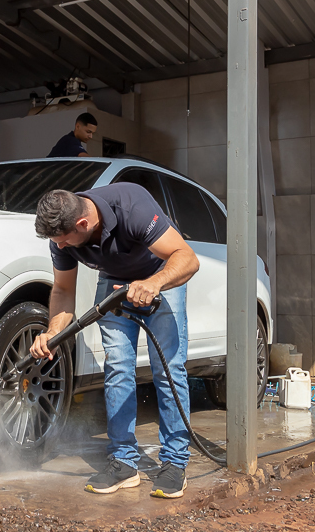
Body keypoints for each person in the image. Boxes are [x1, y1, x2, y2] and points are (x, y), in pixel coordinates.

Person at [30, 186, 199, 499]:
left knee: (168, 369)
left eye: (63, 240)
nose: (60, 246)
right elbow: (63, 290)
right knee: (118, 369)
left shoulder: (131, 206)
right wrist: (53, 332)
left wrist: (153, 283)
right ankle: (123, 462)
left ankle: (175, 462)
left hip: (161, 275)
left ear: (83, 224)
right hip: (114, 283)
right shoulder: (63, 236)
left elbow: (187, 258)